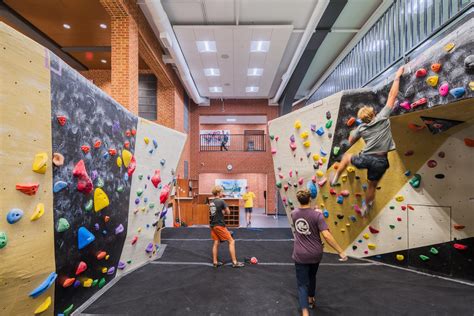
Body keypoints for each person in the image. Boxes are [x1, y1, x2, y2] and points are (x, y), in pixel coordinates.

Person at [331, 65, 405, 216]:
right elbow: (392, 95)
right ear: (373, 113)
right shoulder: (383, 117)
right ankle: (367, 206)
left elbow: (350, 140)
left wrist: (355, 130)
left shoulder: (361, 128)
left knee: (346, 157)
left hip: (366, 158)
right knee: (372, 185)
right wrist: (397, 76)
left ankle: (336, 177)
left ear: (362, 119)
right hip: (381, 161)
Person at [291, 189, 347, 316]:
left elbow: (303, 223)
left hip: (300, 254)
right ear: (310, 199)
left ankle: (305, 311)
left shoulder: (294, 214)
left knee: (302, 284)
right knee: (312, 277)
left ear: (299, 200)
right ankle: (311, 300)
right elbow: (326, 235)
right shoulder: (317, 215)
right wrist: (340, 251)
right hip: (315, 253)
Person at [209, 185, 244, 268]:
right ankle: (235, 262)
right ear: (218, 192)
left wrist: (221, 211)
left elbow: (215, 213)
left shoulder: (212, 202)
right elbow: (228, 212)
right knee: (232, 241)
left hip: (213, 225)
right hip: (220, 225)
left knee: (216, 242)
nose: (223, 193)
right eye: (222, 191)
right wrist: (224, 207)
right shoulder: (221, 201)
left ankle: (215, 262)